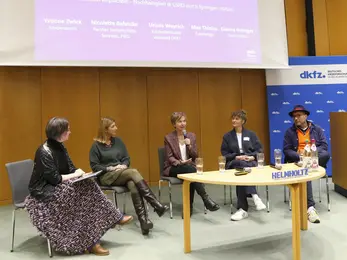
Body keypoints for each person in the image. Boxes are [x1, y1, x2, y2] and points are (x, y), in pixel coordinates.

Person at [25, 117, 133, 256]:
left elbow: (70, 168)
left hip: (58, 185)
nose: (70, 132)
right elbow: (55, 179)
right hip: (44, 190)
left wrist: (80, 174)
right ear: (60, 132)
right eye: (67, 130)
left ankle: (106, 225)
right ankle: (96, 238)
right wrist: (75, 174)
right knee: (78, 198)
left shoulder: (60, 146)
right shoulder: (44, 152)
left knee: (88, 184)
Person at [89, 117, 169, 235]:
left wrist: (123, 165)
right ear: (105, 130)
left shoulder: (118, 142)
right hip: (106, 176)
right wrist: (110, 168)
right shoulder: (96, 146)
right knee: (133, 172)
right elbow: (95, 166)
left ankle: (144, 222)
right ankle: (156, 205)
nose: (116, 128)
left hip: (122, 173)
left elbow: (126, 158)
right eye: (113, 126)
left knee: (133, 184)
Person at [163, 112, 220, 216]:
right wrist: (180, 162)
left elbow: (195, 155)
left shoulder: (191, 136)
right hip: (173, 167)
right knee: (191, 171)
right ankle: (205, 199)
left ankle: (188, 209)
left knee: (190, 174)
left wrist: (189, 146)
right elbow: (169, 157)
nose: (182, 123)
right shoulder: (168, 138)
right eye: (179, 121)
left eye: (184, 121)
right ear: (174, 124)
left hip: (188, 167)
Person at [283, 105, 330, 224]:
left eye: (298, 116)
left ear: (306, 116)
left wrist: (310, 153)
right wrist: (300, 156)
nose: (296, 119)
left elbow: (324, 146)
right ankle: (310, 208)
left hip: (314, 159)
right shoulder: (290, 132)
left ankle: (307, 165)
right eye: (294, 116)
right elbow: (287, 150)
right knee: (306, 170)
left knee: (325, 155)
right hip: (299, 161)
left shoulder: (317, 129)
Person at [221, 110, 267, 221]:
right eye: (233, 118)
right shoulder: (227, 136)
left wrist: (251, 157)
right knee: (242, 166)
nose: (233, 120)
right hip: (234, 162)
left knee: (242, 172)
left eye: (236, 118)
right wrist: (236, 156)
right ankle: (255, 196)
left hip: (250, 162)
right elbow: (224, 153)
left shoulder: (251, 134)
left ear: (243, 121)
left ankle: (242, 209)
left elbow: (259, 151)